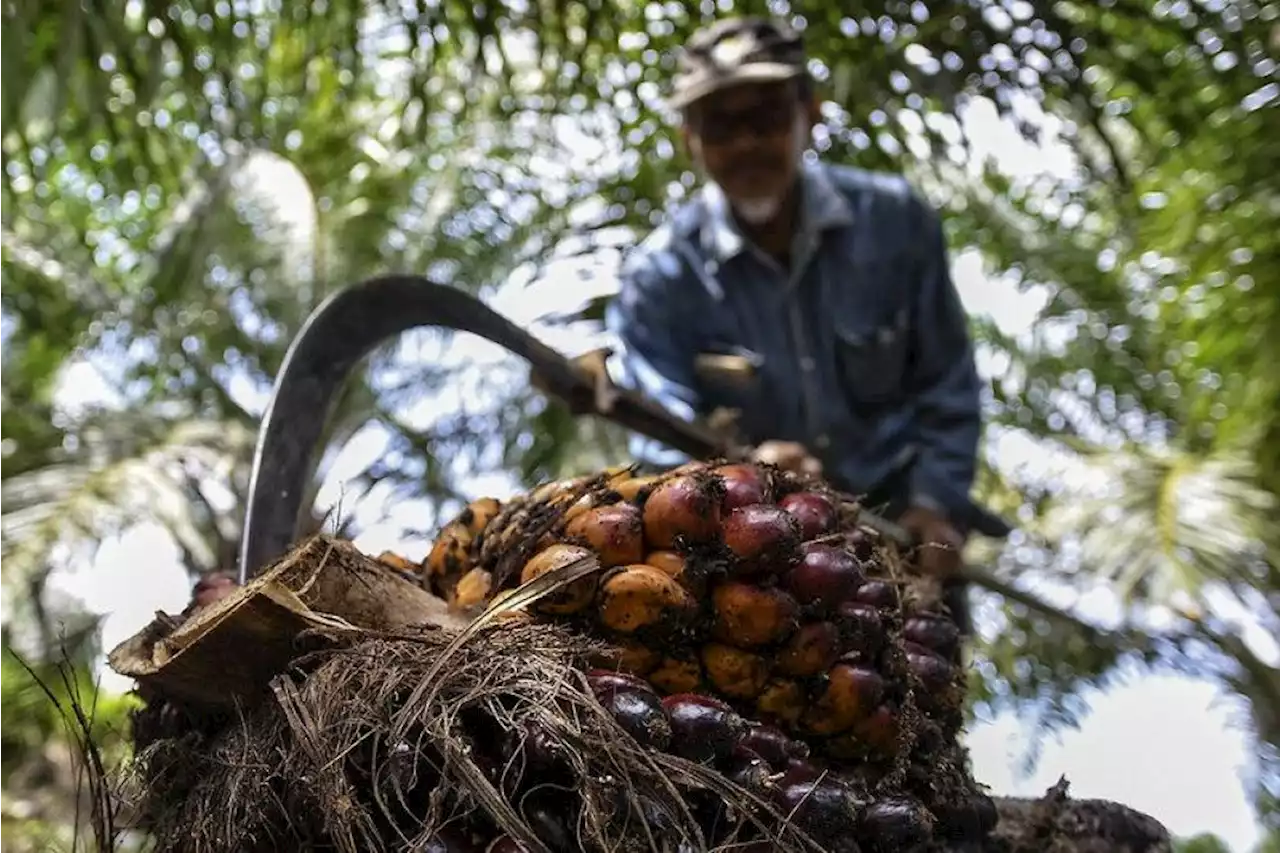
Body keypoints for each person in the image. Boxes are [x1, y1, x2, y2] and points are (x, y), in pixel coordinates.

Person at [602, 16, 987, 632]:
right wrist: (746, 475)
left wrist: (935, 506)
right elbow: (659, 437)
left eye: (767, 118)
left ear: (812, 112)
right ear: (689, 139)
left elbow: (947, 382)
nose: (746, 143)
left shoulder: (896, 224)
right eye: (721, 126)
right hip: (754, 576)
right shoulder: (659, 280)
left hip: (902, 542)